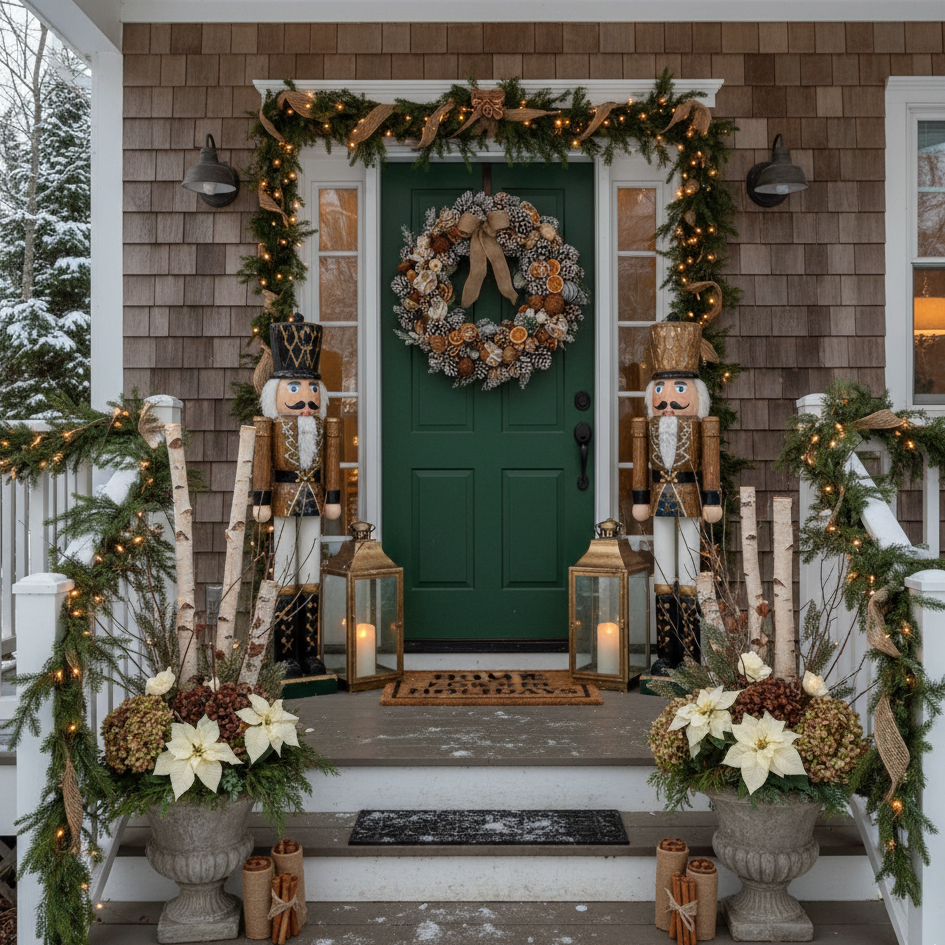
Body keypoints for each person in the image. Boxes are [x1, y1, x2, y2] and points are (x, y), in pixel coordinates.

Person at [252, 314, 341, 678]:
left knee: (311, 572)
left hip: (314, 502)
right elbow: (262, 465)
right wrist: (260, 499)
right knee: (285, 569)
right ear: (276, 391)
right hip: (284, 500)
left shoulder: (324, 427)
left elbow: (331, 464)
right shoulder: (269, 428)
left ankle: (310, 653)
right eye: (295, 388)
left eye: (312, 388)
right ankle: (285, 654)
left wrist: (332, 496)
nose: (306, 397)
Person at [630, 321, 721, 673]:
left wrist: (711, 500)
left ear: (696, 394)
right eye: (661, 389)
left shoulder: (704, 426)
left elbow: (710, 466)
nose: (668, 399)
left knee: (689, 572)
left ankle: (691, 656)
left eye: (679, 388)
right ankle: (666, 654)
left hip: (690, 499)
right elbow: (641, 466)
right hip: (659, 500)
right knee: (663, 574)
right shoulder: (645, 427)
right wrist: (640, 497)